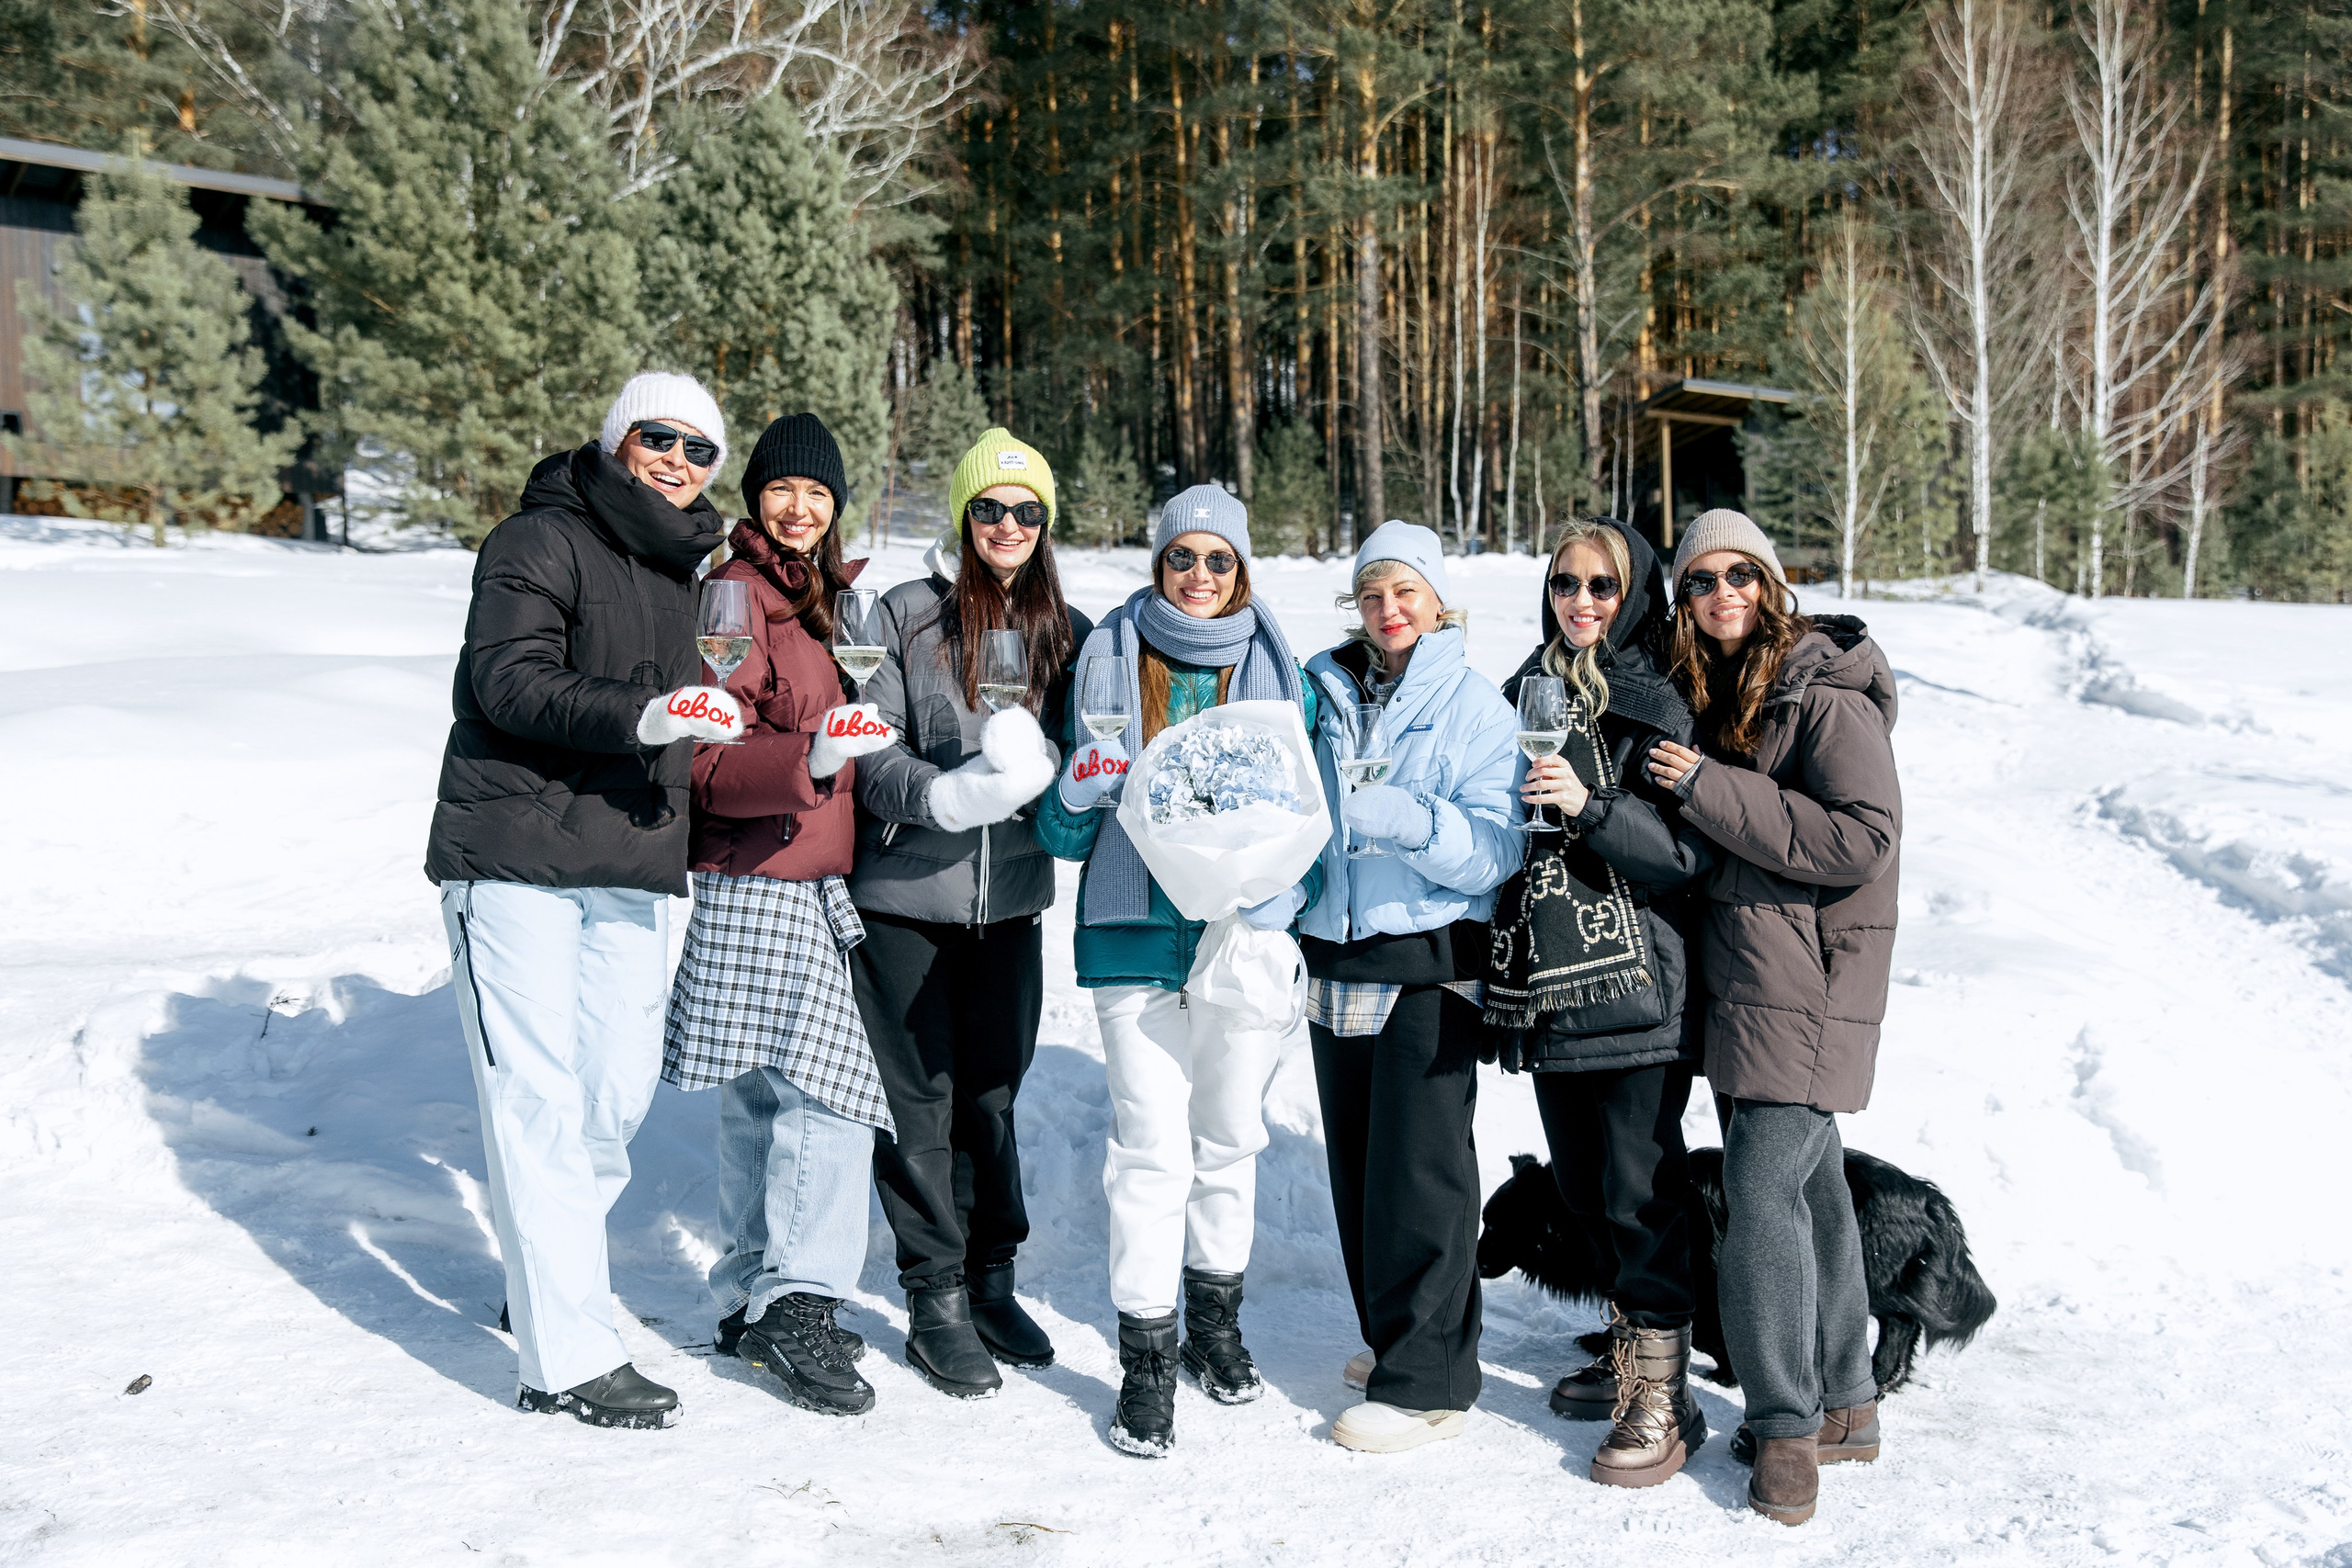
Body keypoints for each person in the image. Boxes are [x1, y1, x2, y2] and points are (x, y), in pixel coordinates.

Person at [426, 371, 745, 1429]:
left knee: (611, 1099)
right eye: (659, 437)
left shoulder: (695, 573)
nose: (679, 461)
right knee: (537, 1102)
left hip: (634, 857)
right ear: (617, 440)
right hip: (513, 852)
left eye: (700, 450)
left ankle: (538, 1275)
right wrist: (650, 714)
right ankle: (563, 1357)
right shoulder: (536, 539)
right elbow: (504, 682)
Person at [1032, 485, 1318, 1458]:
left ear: (1242, 570)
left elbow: (1314, 822)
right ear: (1157, 564)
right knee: (1150, 1149)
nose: (1199, 578)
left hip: (1238, 940)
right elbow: (1064, 833)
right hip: (1129, 932)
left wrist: (1280, 899)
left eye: (1218, 561)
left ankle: (1215, 1327)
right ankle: (1145, 1360)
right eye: (1181, 558)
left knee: (1229, 1140)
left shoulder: (1281, 675)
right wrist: (1077, 790)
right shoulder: (1107, 659)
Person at [1642, 508, 1901, 1528]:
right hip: (1751, 979)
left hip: (1810, 984)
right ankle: (1848, 1403)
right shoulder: (1718, 688)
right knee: (1811, 1193)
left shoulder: (1826, 695)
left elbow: (1860, 840)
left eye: (1739, 574)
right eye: (1701, 581)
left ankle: (1786, 1422)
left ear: (1770, 580)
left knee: (1756, 1199)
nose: (1721, 596)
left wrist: (1709, 788)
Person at [661, 413, 901, 1417]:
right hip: (757, 870)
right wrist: (809, 757)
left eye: (818, 495)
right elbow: (707, 753)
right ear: (755, 498)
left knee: (762, 1097)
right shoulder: (737, 595)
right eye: (781, 491)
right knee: (831, 1095)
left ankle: (745, 1292)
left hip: (790, 872)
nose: (800, 509)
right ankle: (796, 1302)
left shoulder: (817, 600)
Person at [846, 428, 1087, 1399]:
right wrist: (941, 798)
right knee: (919, 1105)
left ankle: (992, 1280)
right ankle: (933, 1299)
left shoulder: (1065, 634)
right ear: (962, 515)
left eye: (1027, 510)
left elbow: (1088, 753)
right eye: (988, 507)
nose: (1007, 525)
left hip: (1011, 907)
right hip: (907, 899)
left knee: (990, 1098)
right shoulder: (904, 615)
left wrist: (1064, 779)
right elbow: (867, 747)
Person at [1484, 515, 1714, 1487]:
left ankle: (1665, 1401)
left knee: (1634, 1193)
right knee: (1584, 1195)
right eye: (1565, 585)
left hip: (1635, 989)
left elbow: (1683, 856)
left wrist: (1590, 805)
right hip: (1548, 988)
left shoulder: (1653, 701)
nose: (1580, 602)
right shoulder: (1517, 693)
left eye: (1602, 587)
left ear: (1636, 597)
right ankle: (1635, 1363)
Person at [1297, 521, 1518, 1455]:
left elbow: (1497, 849)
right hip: (1336, 953)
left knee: (1419, 1175)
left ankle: (1428, 1381)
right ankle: (1396, 1337)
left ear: (1436, 601)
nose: (1387, 609)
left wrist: (1407, 819)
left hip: (1430, 964)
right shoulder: (1325, 691)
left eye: (1405, 592)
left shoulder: (1472, 706)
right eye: (1372, 593)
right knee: (1357, 1167)